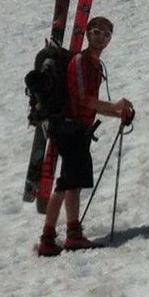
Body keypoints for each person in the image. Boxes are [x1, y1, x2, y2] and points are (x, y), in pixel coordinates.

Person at [37, 15, 135, 255]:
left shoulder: (95, 66)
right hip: (70, 127)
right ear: (88, 34)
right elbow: (83, 100)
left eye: (105, 34)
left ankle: (50, 237)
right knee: (71, 183)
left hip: (76, 129)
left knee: (68, 183)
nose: (100, 37)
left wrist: (117, 113)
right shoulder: (81, 62)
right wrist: (115, 108)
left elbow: (90, 105)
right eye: (96, 32)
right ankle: (71, 235)